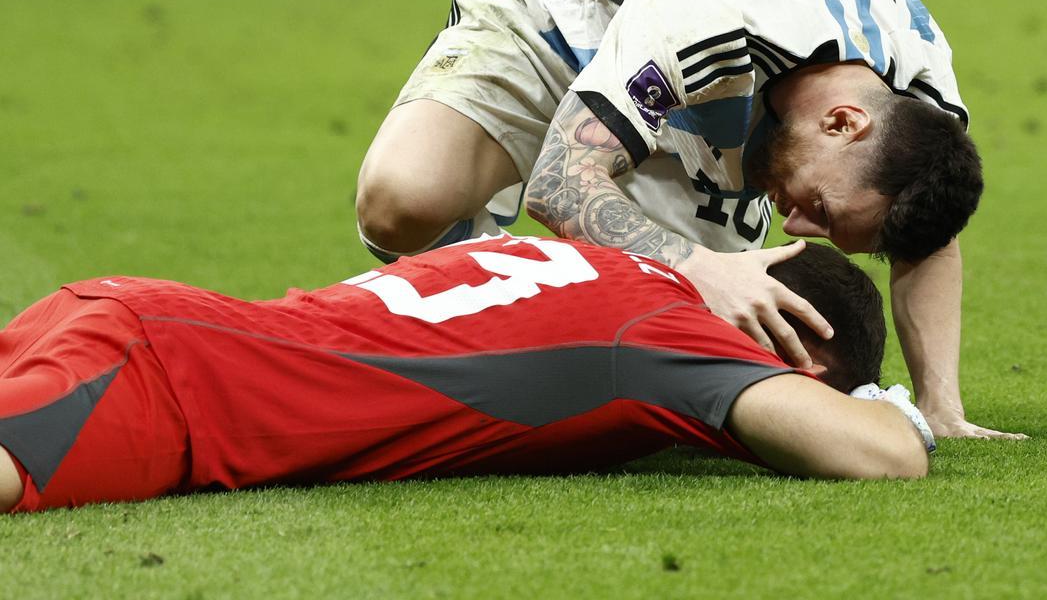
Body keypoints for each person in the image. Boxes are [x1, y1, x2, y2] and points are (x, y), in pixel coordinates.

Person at [355, 0, 1018, 439]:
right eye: (819, 206)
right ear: (844, 122)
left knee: (690, 357)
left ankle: (552, 300)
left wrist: (941, 404)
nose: (795, 229)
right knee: (402, 200)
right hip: (564, 27)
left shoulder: (918, 92)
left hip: (717, 103)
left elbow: (927, 230)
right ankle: (493, 301)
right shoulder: (707, 11)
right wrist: (702, 264)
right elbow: (560, 184)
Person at [0, 235, 930, 513]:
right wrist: (891, 407)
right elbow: (882, 456)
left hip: (124, 317)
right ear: (797, 352)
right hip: (172, 390)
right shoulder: (671, 336)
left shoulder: (595, 259)